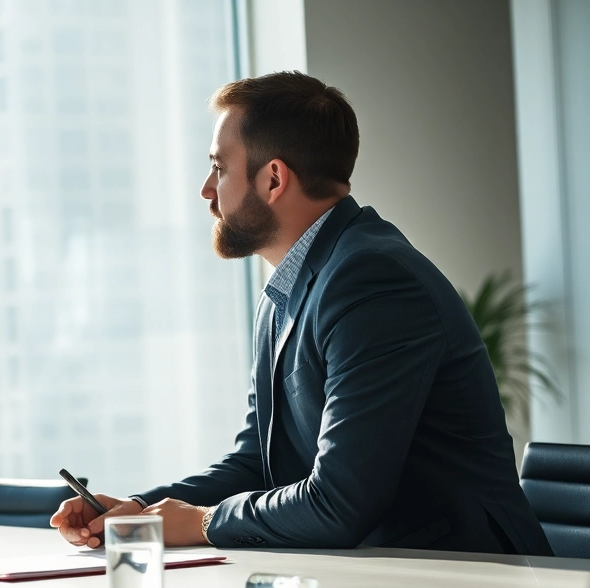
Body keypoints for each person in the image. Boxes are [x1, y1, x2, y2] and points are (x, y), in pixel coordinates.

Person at [50, 71, 552, 557]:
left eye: (219, 168)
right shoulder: (287, 290)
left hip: (471, 584)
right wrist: (141, 510)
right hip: (385, 581)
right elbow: (258, 463)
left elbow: (338, 503)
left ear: (273, 178)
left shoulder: (373, 280)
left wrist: (202, 523)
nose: (207, 190)